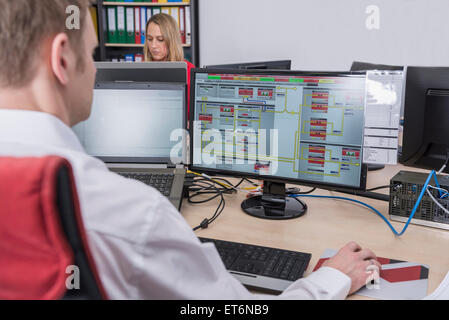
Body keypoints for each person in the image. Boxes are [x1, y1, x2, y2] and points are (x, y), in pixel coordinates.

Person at [0, 0, 381, 299]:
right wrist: (330, 279)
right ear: (62, 59)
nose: (96, 70)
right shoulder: (131, 213)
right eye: (90, 55)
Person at [144, 13, 195, 116]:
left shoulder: (188, 70)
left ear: (171, 40)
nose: (153, 46)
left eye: (160, 39)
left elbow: (194, 115)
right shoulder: (142, 70)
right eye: (150, 39)